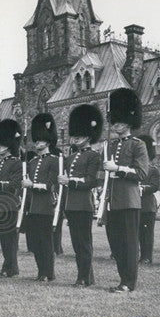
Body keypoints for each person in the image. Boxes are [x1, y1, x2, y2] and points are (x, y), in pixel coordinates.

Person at [103, 87, 149, 293]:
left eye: (119, 121)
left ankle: (129, 282)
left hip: (129, 201)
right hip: (113, 201)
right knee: (116, 244)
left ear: (129, 122)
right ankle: (123, 278)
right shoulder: (111, 146)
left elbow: (141, 173)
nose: (115, 125)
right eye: (114, 121)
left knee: (129, 244)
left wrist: (119, 169)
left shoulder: (138, 145)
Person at [60, 104, 103, 287]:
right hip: (71, 205)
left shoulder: (94, 156)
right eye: (75, 134)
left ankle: (84, 276)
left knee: (84, 242)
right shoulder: (70, 158)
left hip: (84, 204)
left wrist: (70, 181)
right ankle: (85, 276)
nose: (76, 137)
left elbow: (92, 181)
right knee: (77, 243)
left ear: (88, 136)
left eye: (80, 134)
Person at [22, 113, 59, 282]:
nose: (37, 143)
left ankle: (48, 272)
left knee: (45, 242)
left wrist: (33, 185)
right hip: (33, 206)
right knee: (35, 242)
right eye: (36, 140)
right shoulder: (33, 162)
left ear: (48, 141)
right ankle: (40, 271)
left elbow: (52, 184)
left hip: (46, 206)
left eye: (40, 140)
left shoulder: (55, 160)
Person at [0, 118, 23, 277]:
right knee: (3, 237)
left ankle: (10, 266)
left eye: (2, 144)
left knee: (10, 238)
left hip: (10, 203)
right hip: (0, 204)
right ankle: (9, 266)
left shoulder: (16, 163)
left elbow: (15, 184)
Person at [137, 134, 159, 264]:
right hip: (135, 204)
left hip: (147, 206)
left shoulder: (153, 170)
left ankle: (147, 256)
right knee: (137, 233)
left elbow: (155, 186)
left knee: (147, 234)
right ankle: (139, 255)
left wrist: (141, 189)